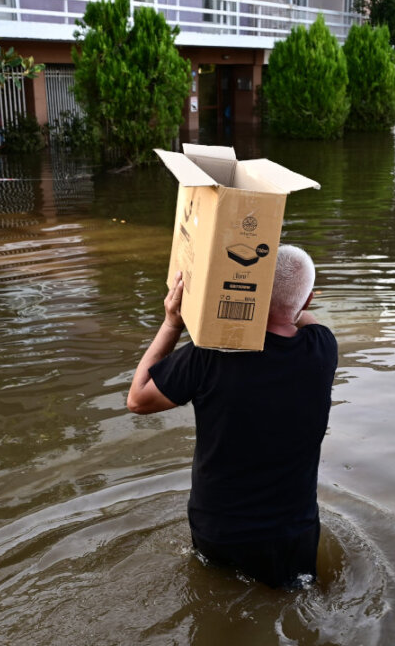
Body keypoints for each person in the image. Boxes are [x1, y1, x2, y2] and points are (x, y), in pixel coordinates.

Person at [126, 244, 338, 589]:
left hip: (219, 530)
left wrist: (172, 323)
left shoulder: (208, 357)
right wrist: (291, 300)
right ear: (310, 300)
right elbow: (299, 314)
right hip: (292, 536)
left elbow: (138, 399)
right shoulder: (322, 348)